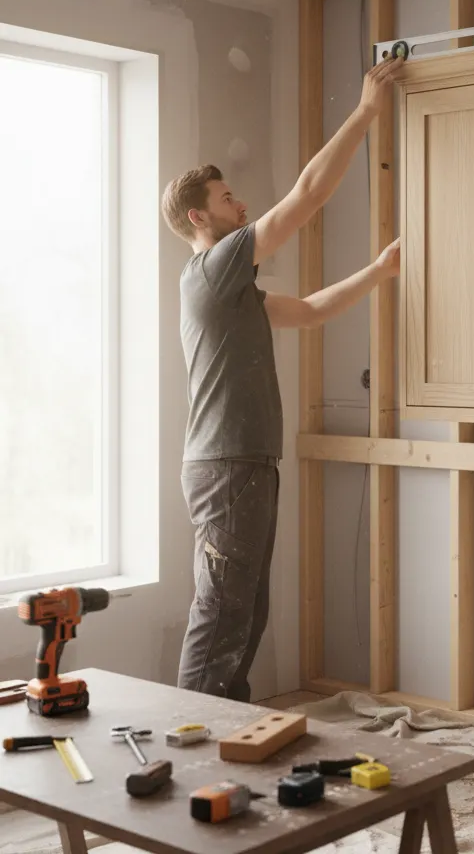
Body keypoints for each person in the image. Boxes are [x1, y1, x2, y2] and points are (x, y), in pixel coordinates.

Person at [159, 54, 403, 702]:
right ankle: (196, 747)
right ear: (197, 219)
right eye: (225, 198)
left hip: (245, 465)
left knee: (245, 613)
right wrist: (366, 112)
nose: (239, 202)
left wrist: (378, 272)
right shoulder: (212, 269)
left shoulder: (231, 290)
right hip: (229, 466)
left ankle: (224, 733)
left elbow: (314, 311)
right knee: (221, 616)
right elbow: (308, 197)